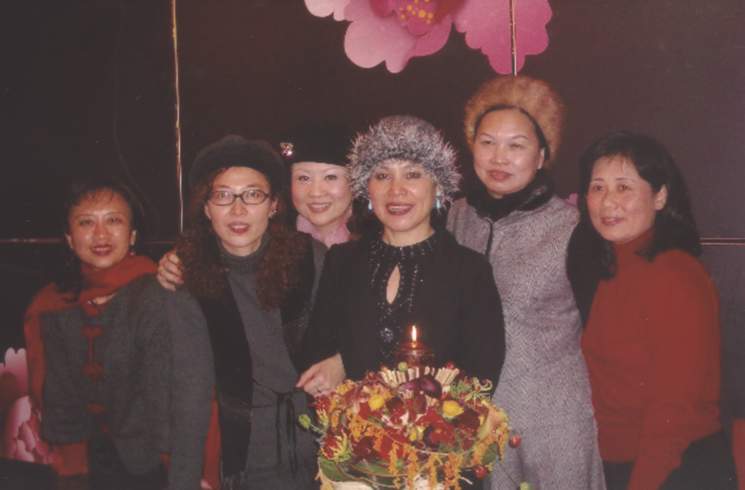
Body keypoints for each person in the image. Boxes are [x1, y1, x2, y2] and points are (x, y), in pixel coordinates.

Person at [447, 75, 605, 489]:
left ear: (542, 156)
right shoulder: (455, 217)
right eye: (487, 142)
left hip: (554, 423)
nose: (499, 157)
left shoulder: (572, 229)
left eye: (516, 145)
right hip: (477, 425)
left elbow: (603, 332)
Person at [567, 131, 737, 490]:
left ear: (659, 196)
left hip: (673, 468)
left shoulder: (675, 273)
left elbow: (675, 409)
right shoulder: (611, 267)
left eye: (624, 187)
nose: (607, 201)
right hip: (627, 464)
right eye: (597, 187)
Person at [297, 114, 505, 406]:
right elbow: (316, 354)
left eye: (412, 175)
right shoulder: (342, 262)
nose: (396, 190)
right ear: (367, 188)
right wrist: (337, 364)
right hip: (354, 432)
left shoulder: (469, 271)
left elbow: (481, 379)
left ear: (438, 186)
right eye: (382, 176)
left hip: (441, 434)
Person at [164, 135, 325, 490]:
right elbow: (191, 392)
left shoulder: (309, 259)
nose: (237, 210)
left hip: (324, 448)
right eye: (223, 196)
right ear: (206, 208)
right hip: (245, 457)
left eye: (252, 195)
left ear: (273, 205)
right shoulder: (188, 276)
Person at [24, 176, 168, 490]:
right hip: (83, 462)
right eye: (86, 222)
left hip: (156, 461)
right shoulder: (52, 304)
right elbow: (57, 394)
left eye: (113, 220)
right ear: (69, 237)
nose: (100, 234)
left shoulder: (162, 292)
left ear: (132, 235)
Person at [279, 122, 361, 247]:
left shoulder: (380, 245)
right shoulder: (272, 247)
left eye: (330, 177)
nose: (315, 192)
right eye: (304, 178)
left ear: (355, 183)